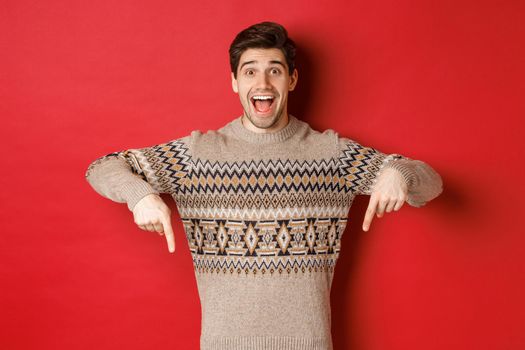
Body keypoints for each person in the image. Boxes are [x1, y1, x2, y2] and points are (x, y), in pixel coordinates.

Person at [85, 21, 443, 350]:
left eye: (275, 71)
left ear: (292, 80)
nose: (263, 83)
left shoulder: (329, 153)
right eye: (250, 72)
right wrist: (140, 195)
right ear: (234, 82)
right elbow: (102, 167)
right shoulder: (199, 153)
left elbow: (432, 184)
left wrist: (399, 173)